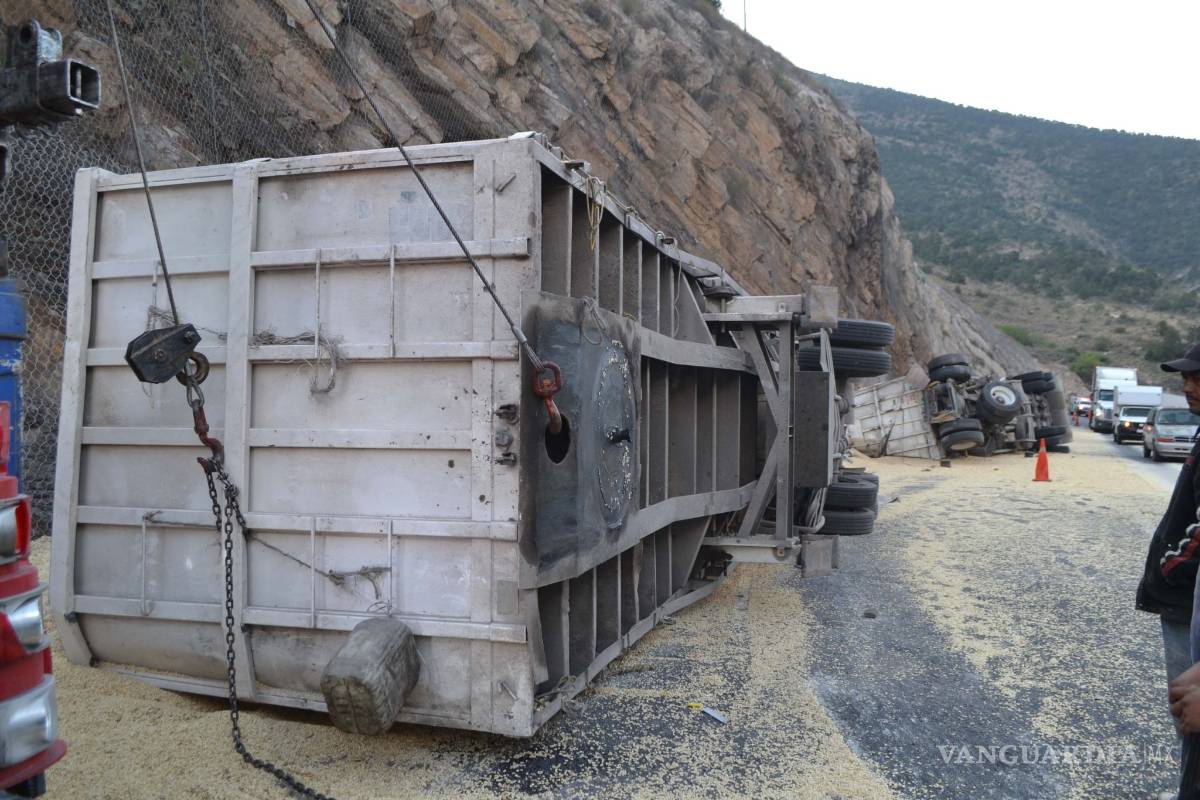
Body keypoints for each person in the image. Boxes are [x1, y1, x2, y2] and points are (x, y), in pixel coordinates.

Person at [1135, 342, 1200, 797]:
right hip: (1184, 598)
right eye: (1187, 377)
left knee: (1189, 712)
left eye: (1198, 377)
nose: (1188, 386)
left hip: (1186, 597)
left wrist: (1169, 567)